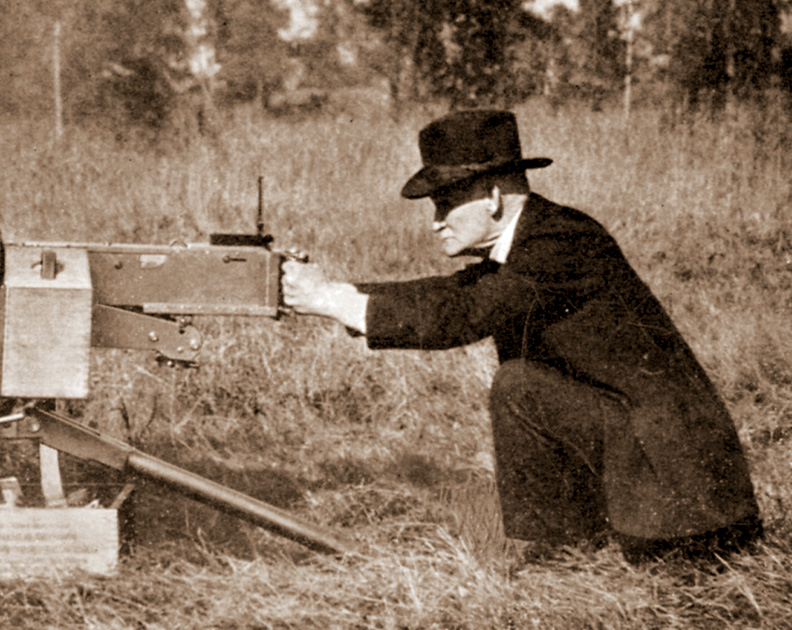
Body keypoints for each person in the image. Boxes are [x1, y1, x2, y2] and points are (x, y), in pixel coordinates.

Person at [281, 109, 762, 564]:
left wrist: (327, 300)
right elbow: (449, 293)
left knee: (519, 385)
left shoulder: (562, 241)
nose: (435, 220)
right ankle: (566, 550)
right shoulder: (532, 241)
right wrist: (331, 290)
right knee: (522, 384)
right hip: (651, 454)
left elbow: (461, 315)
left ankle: (567, 549)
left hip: (688, 493)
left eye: (446, 202)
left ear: (492, 197)